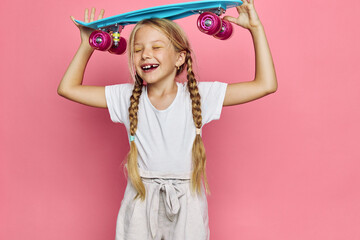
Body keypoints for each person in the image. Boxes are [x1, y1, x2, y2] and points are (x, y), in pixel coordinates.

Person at [58, 0, 277, 239]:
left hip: (187, 203)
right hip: (141, 200)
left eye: (156, 47)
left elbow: (265, 85)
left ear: (180, 58)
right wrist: (86, 45)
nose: (145, 55)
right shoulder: (126, 97)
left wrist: (256, 28)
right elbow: (68, 88)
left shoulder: (200, 96)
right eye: (138, 49)